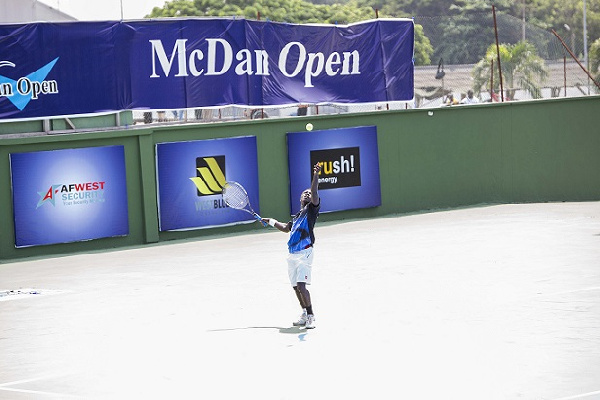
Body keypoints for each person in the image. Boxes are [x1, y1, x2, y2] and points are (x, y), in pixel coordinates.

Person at [262, 163, 321, 329]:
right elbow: (285, 228)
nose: (308, 194)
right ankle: (304, 312)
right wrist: (271, 221)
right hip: (292, 255)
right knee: (296, 287)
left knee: (302, 286)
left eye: (310, 193)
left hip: (305, 253)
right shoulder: (296, 217)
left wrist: (316, 175)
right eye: (305, 193)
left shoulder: (311, 211)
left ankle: (311, 315)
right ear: (300, 198)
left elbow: (315, 192)